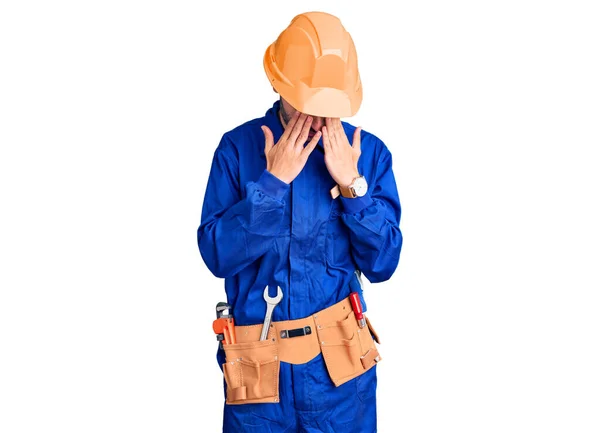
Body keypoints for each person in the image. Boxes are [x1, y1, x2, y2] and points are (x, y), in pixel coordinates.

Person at [197, 11, 403, 433]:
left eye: (328, 102)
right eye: (306, 99)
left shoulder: (368, 154)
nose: (317, 113)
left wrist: (353, 185)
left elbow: (383, 265)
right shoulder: (237, 150)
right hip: (260, 382)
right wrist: (271, 185)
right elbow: (217, 255)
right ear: (277, 82)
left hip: (340, 382)